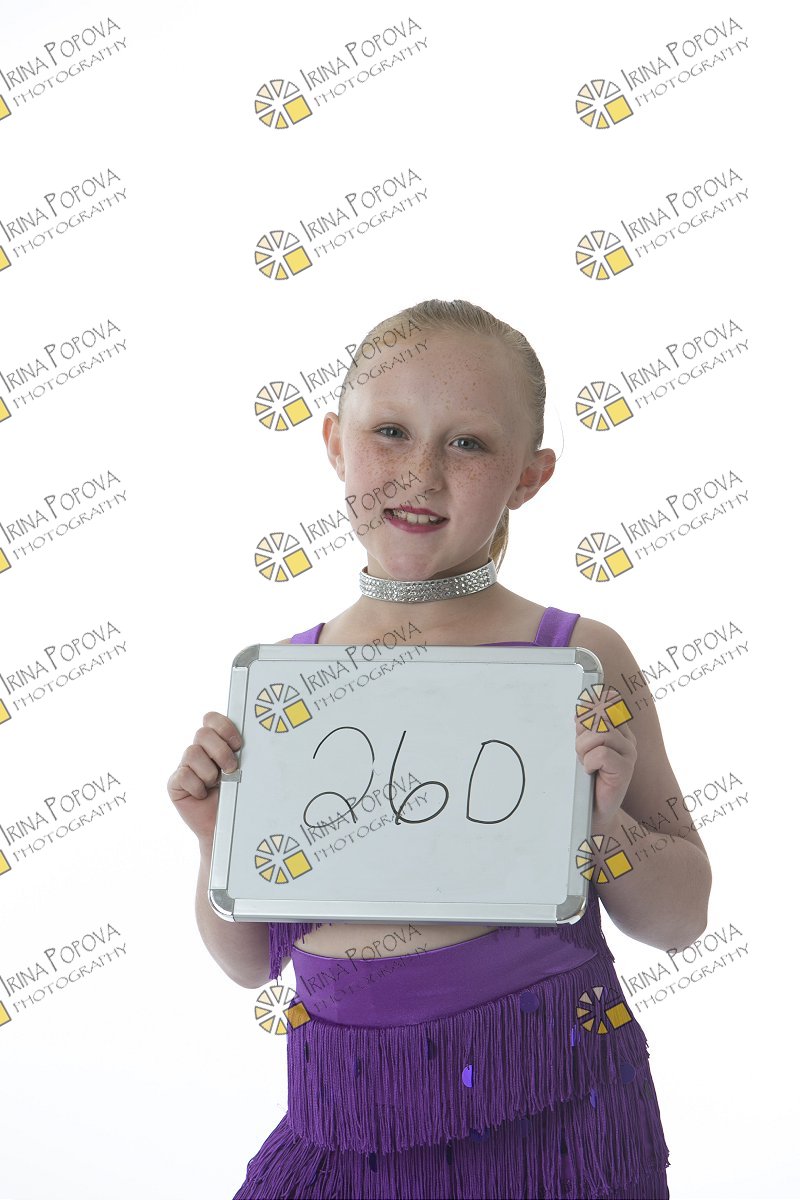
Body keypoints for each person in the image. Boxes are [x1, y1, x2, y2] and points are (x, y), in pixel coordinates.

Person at [167, 298, 712, 1199]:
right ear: (335, 444)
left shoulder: (577, 659)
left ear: (529, 476)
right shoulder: (287, 685)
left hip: (561, 1122)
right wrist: (214, 839)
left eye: (468, 444)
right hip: (344, 1118)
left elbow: (681, 919)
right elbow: (246, 962)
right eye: (390, 433)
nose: (420, 473)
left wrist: (600, 824)